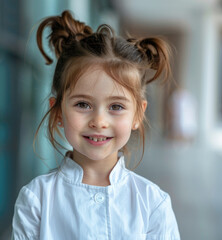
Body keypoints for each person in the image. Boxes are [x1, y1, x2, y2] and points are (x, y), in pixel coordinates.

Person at [12, 10, 180, 240]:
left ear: (138, 114)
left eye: (116, 107)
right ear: (58, 110)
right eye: (83, 104)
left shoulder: (153, 204)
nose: (99, 121)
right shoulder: (36, 199)